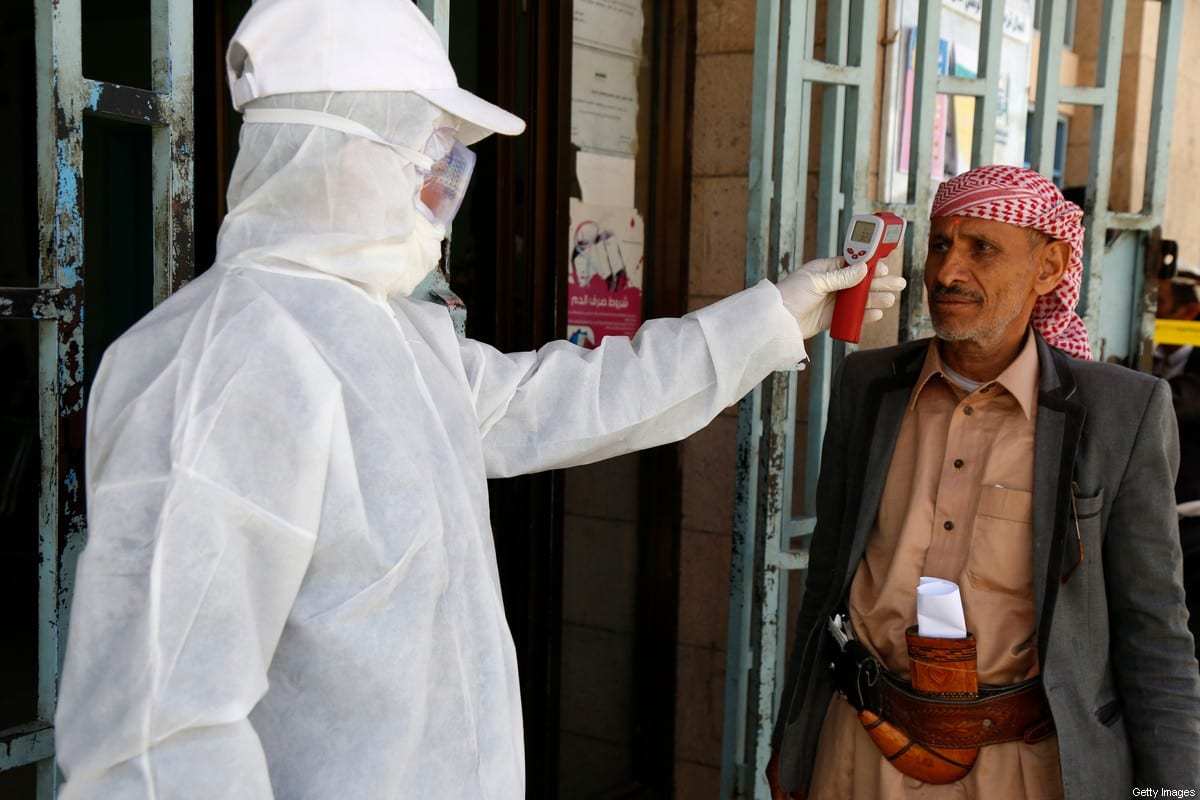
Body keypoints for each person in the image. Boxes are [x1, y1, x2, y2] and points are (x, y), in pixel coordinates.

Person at [52, 1, 905, 798]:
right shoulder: (224, 361)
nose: (443, 200)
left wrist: (772, 315)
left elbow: (578, 398)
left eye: (452, 169)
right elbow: (154, 740)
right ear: (340, 151)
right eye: (432, 160)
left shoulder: (397, 339)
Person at [768, 165, 1200, 800]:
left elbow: (1154, 628)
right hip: (857, 746)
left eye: (981, 249)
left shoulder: (1120, 413)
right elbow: (828, 577)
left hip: (1023, 767)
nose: (946, 272)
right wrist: (795, 744)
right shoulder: (870, 386)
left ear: (1049, 267)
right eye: (940, 244)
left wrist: (1173, 792)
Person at [1155, 271, 1200, 660]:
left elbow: (1180, 402)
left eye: (1161, 308)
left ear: (1190, 313)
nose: (1151, 316)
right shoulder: (1157, 352)